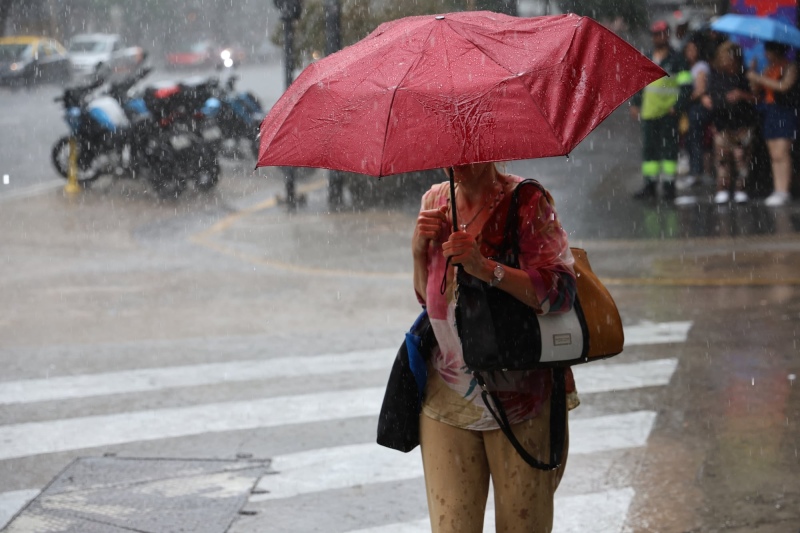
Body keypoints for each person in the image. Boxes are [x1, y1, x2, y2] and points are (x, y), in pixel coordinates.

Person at [412, 163, 579, 533]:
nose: (456, 161)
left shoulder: (527, 201)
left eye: (467, 147)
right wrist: (417, 251)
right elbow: (429, 301)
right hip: (448, 395)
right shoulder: (435, 201)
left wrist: (483, 267)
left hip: (520, 395)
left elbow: (561, 292)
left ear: (489, 148)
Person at [630, 20, 693, 202]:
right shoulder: (648, 57)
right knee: (650, 152)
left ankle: (668, 187)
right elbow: (640, 85)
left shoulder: (678, 59)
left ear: (668, 35)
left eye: (663, 34)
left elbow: (686, 87)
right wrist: (636, 104)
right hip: (649, 113)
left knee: (669, 151)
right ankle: (650, 186)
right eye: (657, 34)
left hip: (668, 114)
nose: (660, 37)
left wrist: (678, 107)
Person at [703, 41, 758, 204]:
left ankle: (741, 188)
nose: (727, 61)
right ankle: (722, 188)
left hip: (743, 123)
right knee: (722, 158)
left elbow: (756, 98)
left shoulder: (745, 75)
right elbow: (709, 95)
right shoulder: (715, 75)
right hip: (722, 123)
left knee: (741, 158)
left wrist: (742, 95)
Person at [747, 41, 799, 206]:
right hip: (769, 111)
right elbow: (756, 90)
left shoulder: (791, 67)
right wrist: (753, 74)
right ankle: (778, 188)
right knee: (774, 153)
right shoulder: (768, 69)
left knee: (782, 152)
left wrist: (759, 77)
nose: (766, 55)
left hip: (785, 111)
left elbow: (783, 86)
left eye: (768, 52)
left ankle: (784, 189)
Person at [677, 31, 712, 192]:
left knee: (695, 138)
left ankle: (696, 171)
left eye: (693, 50)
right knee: (689, 139)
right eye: (688, 50)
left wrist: (685, 98)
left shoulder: (700, 67)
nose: (691, 53)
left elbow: (700, 89)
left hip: (696, 108)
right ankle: (694, 169)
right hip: (689, 107)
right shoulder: (685, 67)